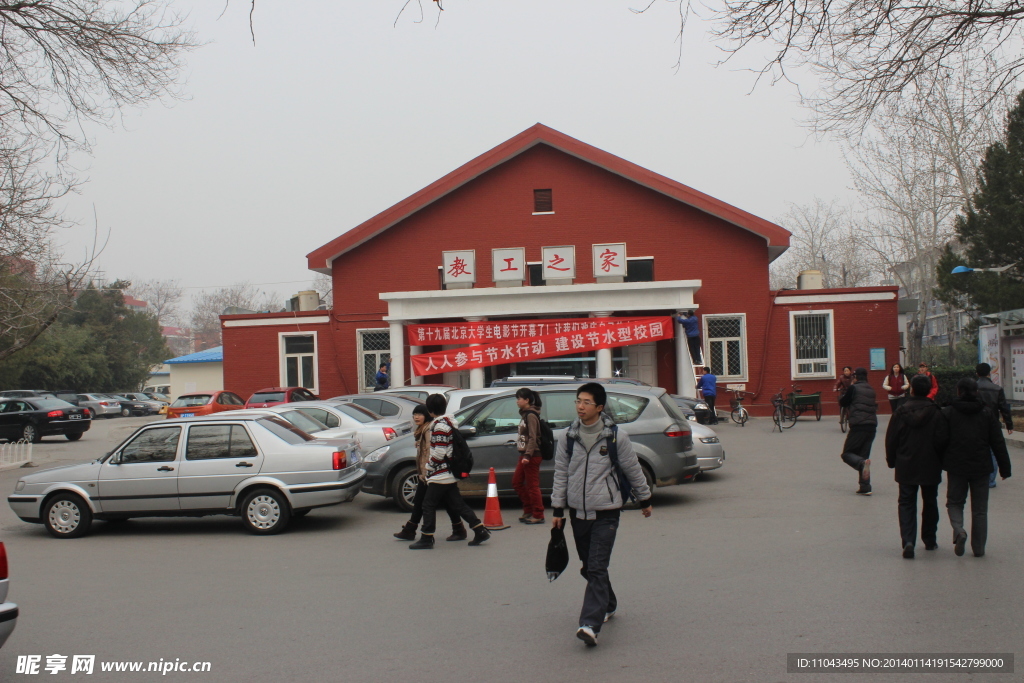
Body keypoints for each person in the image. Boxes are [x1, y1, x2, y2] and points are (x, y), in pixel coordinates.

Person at [551, 383, 652, 648]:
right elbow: (561, 474)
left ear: (599, 407)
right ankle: (608, 603)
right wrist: (558, 509)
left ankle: (589, 625)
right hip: (577, 512)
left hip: (606, 511)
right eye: (577, 401)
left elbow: (632, 469)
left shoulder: (616, 437)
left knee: (596, 566)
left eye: (586, 402)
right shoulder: (568, 437)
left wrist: (645, 498)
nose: (580, 406)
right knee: (589, 565)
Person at [409, 393, 492, 549]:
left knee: (428, 504)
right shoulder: (448, 423)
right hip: (448, 473)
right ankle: (479, 530)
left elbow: (439, 452)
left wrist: (428, 468)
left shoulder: (440, 426)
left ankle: (427, 537)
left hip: (440, 474)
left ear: (430, 409)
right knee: (458, 504)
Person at [940, 378, 1011, 558]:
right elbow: (997, 442)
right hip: (981, 466)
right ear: (976, 392)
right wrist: (1005, 468)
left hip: (956, 466)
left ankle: (959, 530)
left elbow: (939, 440)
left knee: (954, 502)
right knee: (980, 510)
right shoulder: (986, 413)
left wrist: (938, 461)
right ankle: (978, 549)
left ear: (958, 392)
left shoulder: (948, 412)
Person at [885, 375, 949, 558]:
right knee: (930, 501)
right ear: (929, 390)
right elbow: (942, 439)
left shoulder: (901, 411)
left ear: (911, 389)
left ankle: (908, 541)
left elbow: (892, 439)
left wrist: (891, 460)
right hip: (930, 463)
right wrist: (942, 460)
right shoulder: (937, 412)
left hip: (906, 463)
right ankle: (929, 540)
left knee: (906, 502)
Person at [392, 404, 466, 542]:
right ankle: (459, 528)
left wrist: (426, 471)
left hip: (431, 472)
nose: (416, 417)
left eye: (420, 414)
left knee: (427, 503)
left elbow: (429, 452)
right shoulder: (422, 430)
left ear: (427, 414)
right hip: (432, 472)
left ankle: (419, 532)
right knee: (446, 501)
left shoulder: (428, 430)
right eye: (414, 414)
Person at [839, 367, 878, 495]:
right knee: (864, 456)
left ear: (855, 377)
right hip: (871, 426)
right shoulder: (871, 389)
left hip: (858, 425)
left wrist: (847, 390)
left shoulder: (853, 388)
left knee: (847, 454)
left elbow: (843, 402)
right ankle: (865, 487)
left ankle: (861, 464)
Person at [975, 362, 1014, 489]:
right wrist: (1009, 424)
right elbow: (1004, 408)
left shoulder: (973, 388)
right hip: (993, 424)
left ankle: (978, 477)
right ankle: (990, 480)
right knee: (992, 451)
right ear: (989, 373)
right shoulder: (997, 389)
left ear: (977, 373)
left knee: (977, 449)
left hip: (976, 423)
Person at [513, 388, 545, 524]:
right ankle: (529, 509)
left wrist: (528, 455)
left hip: (531, 455)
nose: (517, 401)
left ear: (527, 400)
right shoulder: (525, 414)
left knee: (532, 486)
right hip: (525, 454)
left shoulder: (531, 415)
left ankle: (538, 514)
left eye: (519, 398)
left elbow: (533, 437)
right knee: (516, 482)